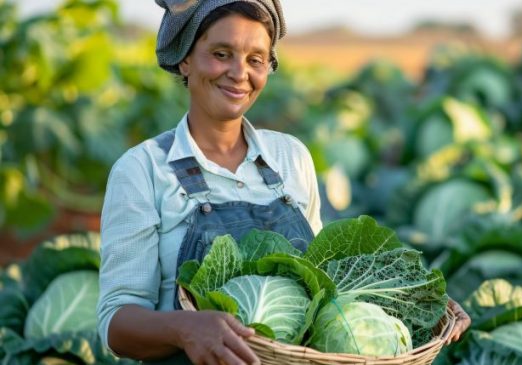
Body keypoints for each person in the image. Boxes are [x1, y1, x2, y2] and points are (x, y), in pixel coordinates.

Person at [96, 1, 470, 364]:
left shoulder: (290, 157)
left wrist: (419, 299)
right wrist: (184, 329)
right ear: (185, 57)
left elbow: (323, 283)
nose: (239, 73)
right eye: (221, 53)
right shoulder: (143, 170)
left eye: (255, 60)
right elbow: (115, 324)